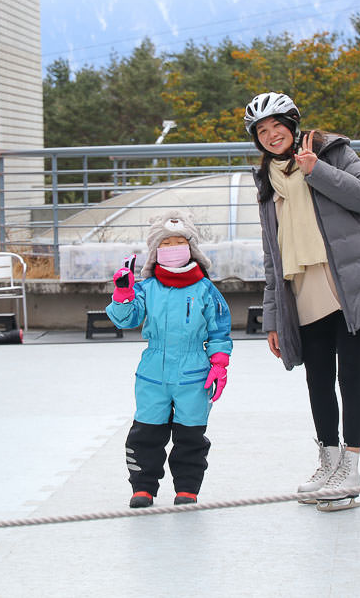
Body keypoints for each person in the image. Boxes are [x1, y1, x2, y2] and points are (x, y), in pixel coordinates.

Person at [244, 92, 360, 512]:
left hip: (348, 284)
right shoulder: (267, 181)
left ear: (292, 123)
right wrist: (272, 318)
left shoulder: (332, 152)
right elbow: (272, 254)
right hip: (302, 289)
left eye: (276, 127)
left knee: (349, 374)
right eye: (262, 132)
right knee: (317, 378)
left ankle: (350, 471)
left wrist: (316, 170)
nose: (271, 136)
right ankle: (329, 463)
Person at [106, 209, 233, 508]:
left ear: (191, 248)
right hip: (154, 369)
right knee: (146, 430)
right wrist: (123, 294)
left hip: (193, 370)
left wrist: (219, 363)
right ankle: (143, 487)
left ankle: (187, 488)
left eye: (178, 241)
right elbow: (126, 319)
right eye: (165, 243)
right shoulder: (146, 287)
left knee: (191, 433)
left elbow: (219, 328)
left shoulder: (205, 289)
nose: (172, 248)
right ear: (154, 250)